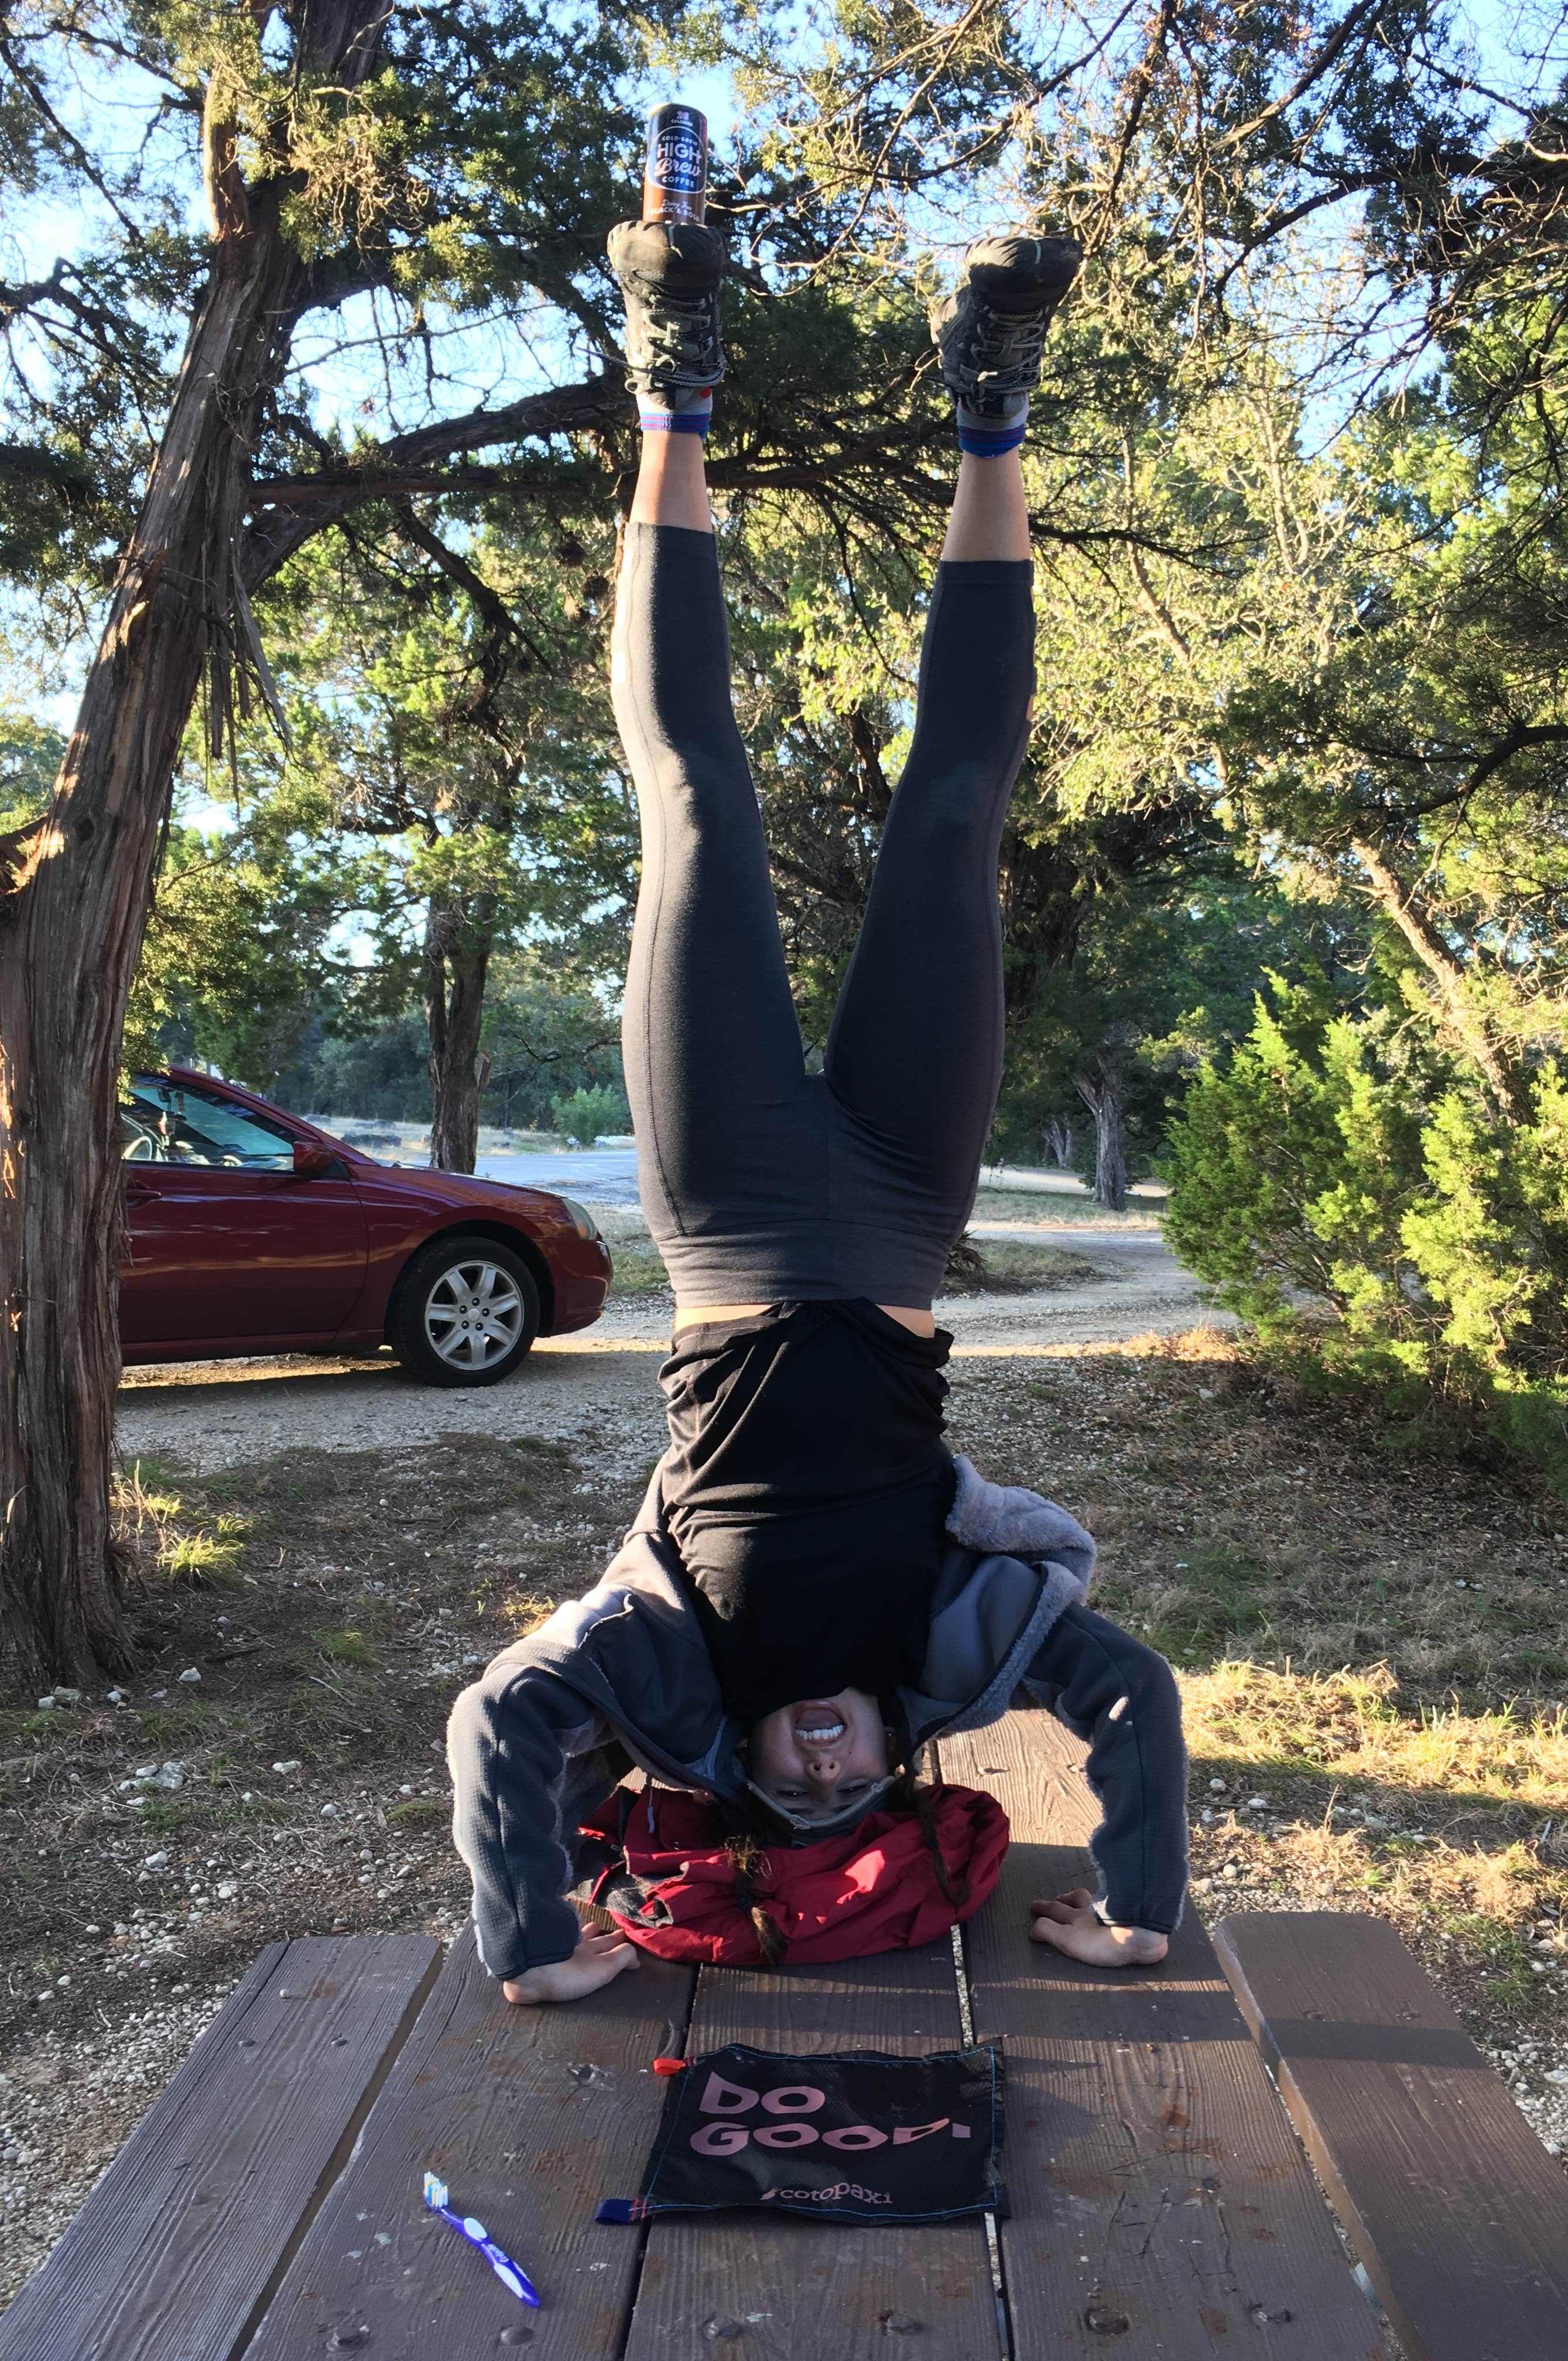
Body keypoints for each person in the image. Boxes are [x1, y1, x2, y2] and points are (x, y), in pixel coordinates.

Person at [447, 214, 1188, 2003]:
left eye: (800, 1789)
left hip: (732, 1218)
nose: (830, 1766)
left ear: (743, 1772)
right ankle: (994, 407)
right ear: (902, 1767)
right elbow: (1133, 1695)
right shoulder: (954, 1658)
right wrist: (1142, 1906)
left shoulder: (667, 1676)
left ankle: (672, 386)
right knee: (955, 823)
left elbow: (497, 1722)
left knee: (697, 811)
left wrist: (534, 1946)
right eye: (855, 1787)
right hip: (910, 1209)